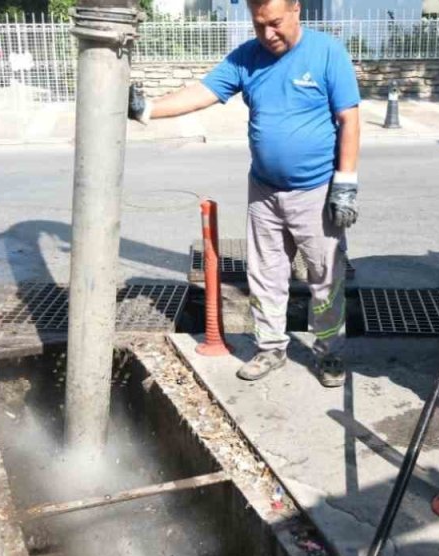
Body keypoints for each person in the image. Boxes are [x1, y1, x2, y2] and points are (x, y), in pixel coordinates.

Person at [128, 0, 361, 388]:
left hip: (316, 193)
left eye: (274, 24)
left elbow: (348, 119)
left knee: (325, 276)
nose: (267, 35)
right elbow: (201, 92)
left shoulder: (327, 53)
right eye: (258, 26)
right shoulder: (247, 58)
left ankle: (330, 351)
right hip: (264, 191)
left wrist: (346, 185)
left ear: (296, 9)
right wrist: (147, 109)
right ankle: (271, 347)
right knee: (265, 275)